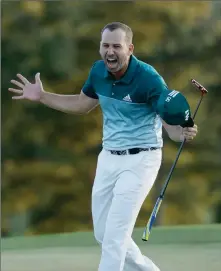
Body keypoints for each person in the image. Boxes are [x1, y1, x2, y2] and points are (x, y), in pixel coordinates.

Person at [9, 22, 198, 271]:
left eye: (116, 46)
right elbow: (81, 104)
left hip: (141, 161)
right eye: (105, 45)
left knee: (115, 237)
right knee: (103, 233)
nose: (110, 51)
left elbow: (171, 129)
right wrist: (43, 96)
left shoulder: (149, 79)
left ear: (129, 48)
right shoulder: (98, 72)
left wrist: (183, 131)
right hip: (108, 158)